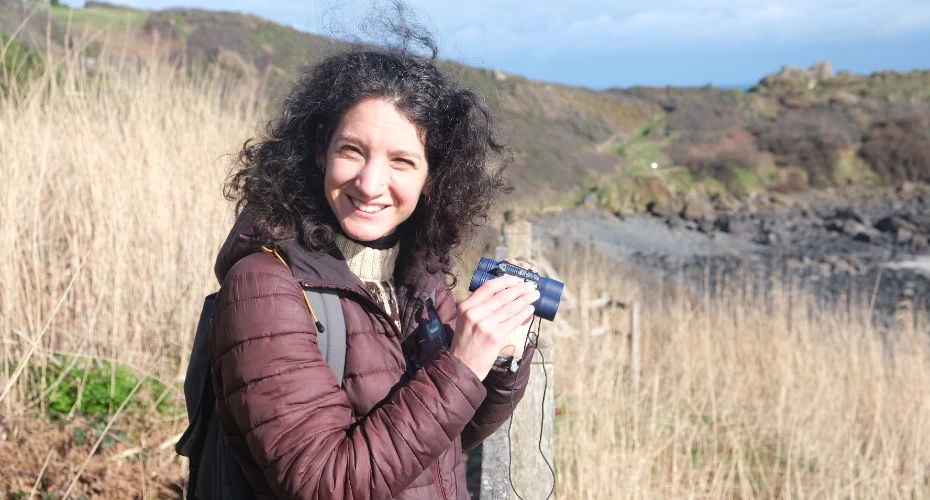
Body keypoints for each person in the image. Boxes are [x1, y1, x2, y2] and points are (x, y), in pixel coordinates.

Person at [209, 29, 540, 500]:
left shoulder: (415, 274)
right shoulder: (263, 287)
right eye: (352, 151)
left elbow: (444, 442)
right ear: (320, 149)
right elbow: (325, 483)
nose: (370, 183)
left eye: (402, 161)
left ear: (433, 177)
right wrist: (462, 364)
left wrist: (501, 353)